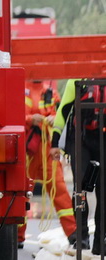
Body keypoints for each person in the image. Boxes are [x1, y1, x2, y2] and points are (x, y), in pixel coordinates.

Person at [20, 81, 77, 250]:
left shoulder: (50, 92)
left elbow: (60, 113)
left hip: (46, 150)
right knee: (21, 193)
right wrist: (30, 119)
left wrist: (54, 118)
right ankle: (17, 236)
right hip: (25, 150)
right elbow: (12, 116)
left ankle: (73, 234)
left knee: (59, 191)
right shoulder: (20, 88)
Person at [54, 79, 104, 254]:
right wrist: (55, 141)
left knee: (103, 192)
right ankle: (82, 238)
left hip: (103, 141)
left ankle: (100, 240)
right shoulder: (76, 81)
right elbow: (64, 110)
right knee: (80, 189)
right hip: (81, 140)